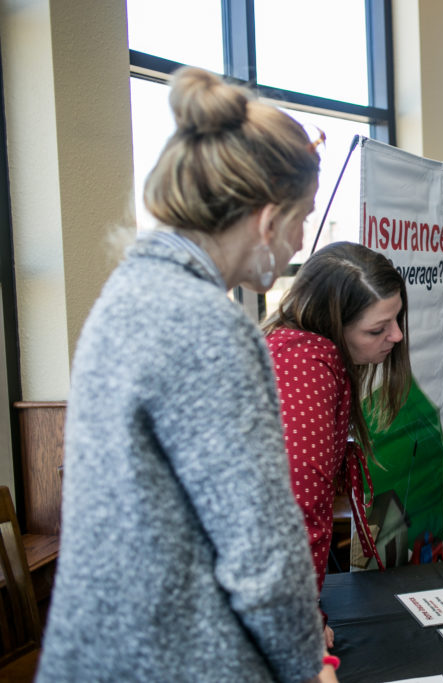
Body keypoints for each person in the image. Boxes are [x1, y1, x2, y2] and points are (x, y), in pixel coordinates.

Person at [37, 68, 338, 681]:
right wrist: (309, 662)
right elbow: (261, 551)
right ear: (267, 220)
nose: (300, 240)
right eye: (302, 218)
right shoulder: (206, 323)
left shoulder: (129, 293)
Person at [263, 241, 411, 647]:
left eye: (396, 320)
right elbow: (299, 509)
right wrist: (302, 620)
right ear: (332, 324)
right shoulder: (307, 369)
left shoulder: (293, 350)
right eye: (377, 329)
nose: (396, 335)